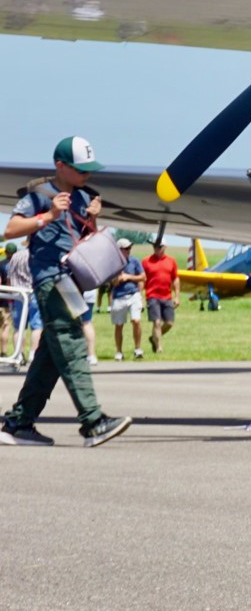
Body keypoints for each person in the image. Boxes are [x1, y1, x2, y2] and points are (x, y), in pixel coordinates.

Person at [0, 136, 133, 448]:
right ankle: (93, 421)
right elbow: (11, 230)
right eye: (80, 169)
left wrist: (93, 217)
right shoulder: (40, 194)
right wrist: (48, 215)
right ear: (60, 166)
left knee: (50, 353)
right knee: (71, 344)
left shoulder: (85, 196)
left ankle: (19, 423)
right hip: (51, 280)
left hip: (72, 281)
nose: (87, 175)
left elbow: (85, 238)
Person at [108, 238, 146, 361]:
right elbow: (109, 282)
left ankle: (138, 349)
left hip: (133, 294)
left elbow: (143, 277)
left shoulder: (134, 261)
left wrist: (128, 277)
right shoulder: (112, 263)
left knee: (136, 321)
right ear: (119, 250)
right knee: (119, 325)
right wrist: (117, 279)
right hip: (119, 296)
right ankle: (119, 351)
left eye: (129, 248)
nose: (128, 250)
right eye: (125, 249)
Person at [142, 240, 178, 354]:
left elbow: (175, 279)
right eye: (154, 246)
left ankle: (154, 338)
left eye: (159, 246)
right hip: (152, 296)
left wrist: (177, 296)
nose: (156, 248)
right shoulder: (146, 261)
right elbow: (142, 280)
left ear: (165, 247)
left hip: (167, 296)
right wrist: (141, 297)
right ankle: (159, 347)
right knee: (156, 322)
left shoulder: (171, 261)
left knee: (169, 323)